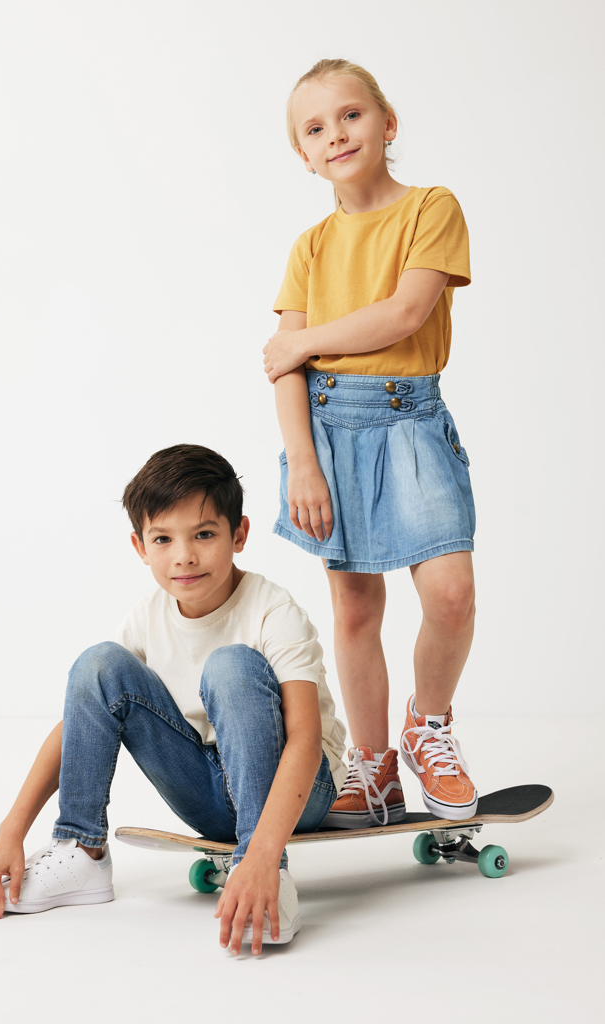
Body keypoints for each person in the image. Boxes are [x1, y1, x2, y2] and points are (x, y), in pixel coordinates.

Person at [0, 444, 347, 956]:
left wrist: (261, 855)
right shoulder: (147, 617)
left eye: (204, 535)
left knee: (230, 666)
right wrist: (9, 833)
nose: (183, 556)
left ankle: (264, 873)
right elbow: (81, 721)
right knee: (100, 664)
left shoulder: (272, 610)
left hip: (300, 788)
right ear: (140, 546)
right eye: (163, 538)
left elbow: (303, 739)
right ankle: (81, 850)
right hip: (209, 792)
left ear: (239, 534)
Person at [264, 58, 478, 829]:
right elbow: (284, 370)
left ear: (387, 124)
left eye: (350, 115)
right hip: (330, 429)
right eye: (315, 128)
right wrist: (302, 463)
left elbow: (403, 314)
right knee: (354, 610)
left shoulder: (430, 207)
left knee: (449, 594)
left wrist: (303, 340)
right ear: (304, 155)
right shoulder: (309, 247)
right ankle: (374, 766)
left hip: (409, 420)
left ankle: (427, 725)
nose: (336, 134)